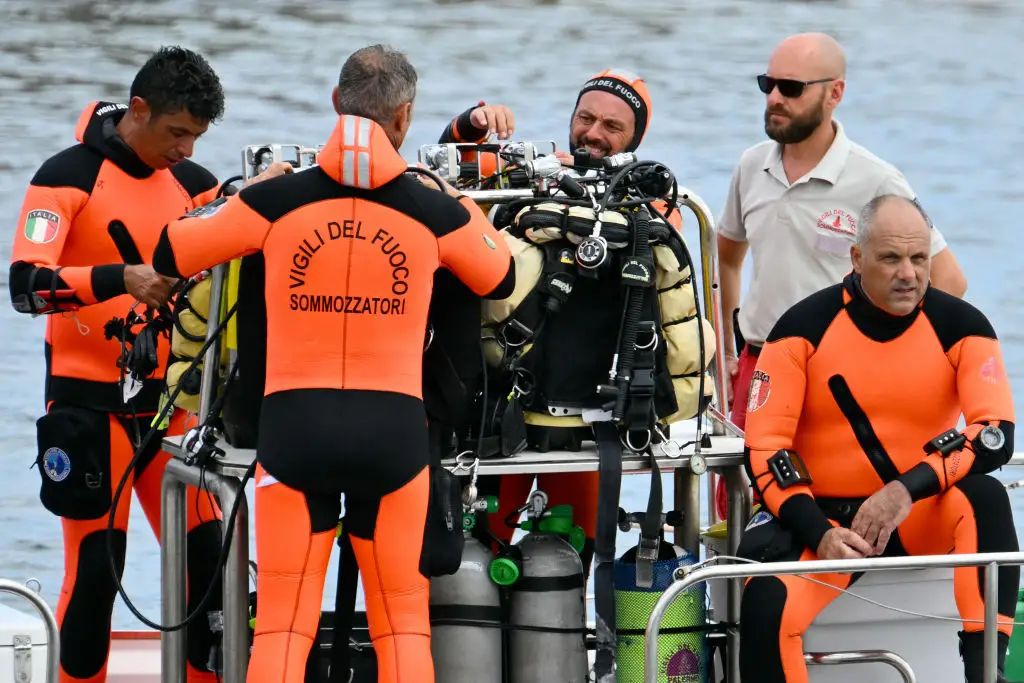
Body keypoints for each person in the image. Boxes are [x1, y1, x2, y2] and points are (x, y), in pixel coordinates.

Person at [151, 44, 516, 683]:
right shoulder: (432, 207)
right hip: (395, 435)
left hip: (293, 431)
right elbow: (500, 275)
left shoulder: (276, 202)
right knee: (403, 628)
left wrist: (252, 192)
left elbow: (172, 251)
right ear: (403, 119)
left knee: (284, 628)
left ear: (334, 105)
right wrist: (453, 196)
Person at [5, 46, 288, 683]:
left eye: (197, 136)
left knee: (209, 569)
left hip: (172, 406)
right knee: (99, 573)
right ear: (139, 110)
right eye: (177, 133)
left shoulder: (193, 185)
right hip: (87, 404)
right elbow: (25, 285)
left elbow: (241, 225)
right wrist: (118, 277)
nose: (185, 150)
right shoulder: (65, 177)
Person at [737, 194, 1017, 683]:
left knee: (987, 498)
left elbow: (995, 435)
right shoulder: (802, 329)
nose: (907, 273)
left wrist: (904, 490)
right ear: (857, 259)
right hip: (827, 522)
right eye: (890, 258)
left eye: (919, 258)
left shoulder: (963, 327)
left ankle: (986, 674)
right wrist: (818, 532)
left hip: (918, 512)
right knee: (767, 604)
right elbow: (766, 448)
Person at [713, 31, 968, 517]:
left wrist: (885, 360)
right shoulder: (750, 166)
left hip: (830, 377)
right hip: (757, 367)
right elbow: (726, 258)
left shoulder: (877, 180)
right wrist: (727, 352)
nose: (773, 98)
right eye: (767, 83)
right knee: (737, 511)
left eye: (790, 88)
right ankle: (739, 591)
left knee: (817, 509)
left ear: (835, 93)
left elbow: (948, 281)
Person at [431, 68, 659, 575]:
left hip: (583, 419)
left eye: (612, 126)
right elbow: (440, 172)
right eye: (586, 118)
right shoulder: (532, 170)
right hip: (498, 406)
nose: (594, 133)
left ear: (636, 139)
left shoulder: (650, 201)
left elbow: (666, 253)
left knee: (570, 563)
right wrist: (471, 124)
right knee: (471, 553)